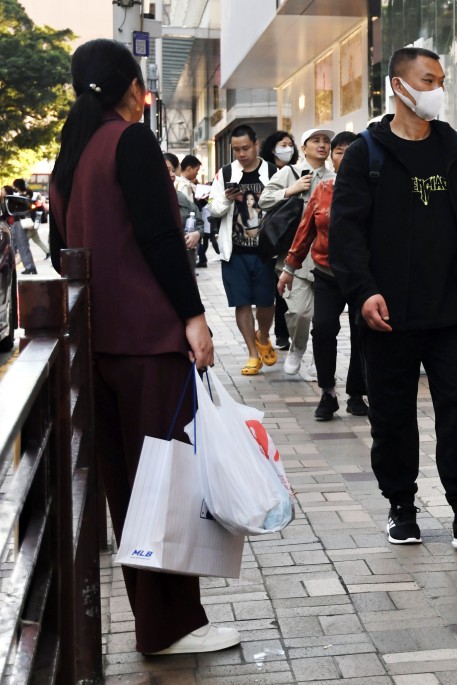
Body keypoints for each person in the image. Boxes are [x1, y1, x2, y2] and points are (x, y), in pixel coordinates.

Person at [46, 38, 235, 655]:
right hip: (148, 342)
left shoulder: (70, 155)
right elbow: (160, 237)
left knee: (129, 488)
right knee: (168, 486)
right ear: (130, 84)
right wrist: (193, 316)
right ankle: (166, 629)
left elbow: (58, 254)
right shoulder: (129, 141)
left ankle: (159, 626)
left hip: (95, 344)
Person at [329, 46, 457, 549]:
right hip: (388, 313)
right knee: (392, 413)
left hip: (453, 311)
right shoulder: (366, 152)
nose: (437, 90)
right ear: (399, 86)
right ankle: (401, 505)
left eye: (441, 81)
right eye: (428, 80)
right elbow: (347, 232)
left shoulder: (456, 149)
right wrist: (362, 292)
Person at [280, 131, 369, 420]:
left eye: (351, 150)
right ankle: (328, 392)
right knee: (323, 328)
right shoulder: (322, 189)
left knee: (362, 333)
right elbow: (304, 231)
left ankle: (357, 393)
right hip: (326, 273)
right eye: (339, 151)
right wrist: (289, 268)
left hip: (361, 276)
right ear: (332, 157)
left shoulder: (373, 188)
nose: (345, 156)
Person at [261, 127, 335, 382]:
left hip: (325, 258)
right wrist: (290, 190)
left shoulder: (335, 177)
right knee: (299, 312)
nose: (322, 145)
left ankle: (318, 359)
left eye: (326, 141)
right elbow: (264, 199)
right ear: (303, 148)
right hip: (294, 258)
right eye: (316, 140)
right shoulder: (289, 172)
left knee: (323, 319)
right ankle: (297, 348)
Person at [208, 124, 278, 376]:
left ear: (255, 144)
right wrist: (227, 198)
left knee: (266, 302)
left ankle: (264, 336)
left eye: (245, 148)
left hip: (265, 251)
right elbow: (214, 210)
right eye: (236, 149)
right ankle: (252, 353)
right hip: (235, 252)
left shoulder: (271, 171)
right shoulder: (225, 173)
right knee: (242, 302)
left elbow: (283, 205)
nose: (241, 154)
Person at [260, 130, 299, 351]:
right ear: (272, 148)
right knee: (275, 289)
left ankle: (283, 334)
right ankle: (274, 333)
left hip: (290, 237)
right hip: (271, 236)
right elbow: (264, 200)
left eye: (290, 144)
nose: (287, 148)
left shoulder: (297, 170)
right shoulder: (267, 171)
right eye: (282, 144)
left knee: (285, 288)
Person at [164, 152, 201, 271]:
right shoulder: (145, 201)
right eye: (167, 170)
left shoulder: (181, 198)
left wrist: (197, 234)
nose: (172, 175)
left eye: (173, 171)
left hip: (185, 262)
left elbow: (199, 221)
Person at [179, 155, 212, 268]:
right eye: (196, 170)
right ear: (189, 168)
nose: (197, 173)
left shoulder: (186, 184)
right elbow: (187, 210)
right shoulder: (183, 185)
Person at [12, 178, 49, 259]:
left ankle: (22, 258)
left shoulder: (23, 198)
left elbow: (30, 211)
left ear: (17, 187)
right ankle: (48, 252)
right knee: (37, 240)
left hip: (28, 223)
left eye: (15, 186)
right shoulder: (25, 195)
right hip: (29, 223)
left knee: (22, 242)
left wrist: (32, 223)